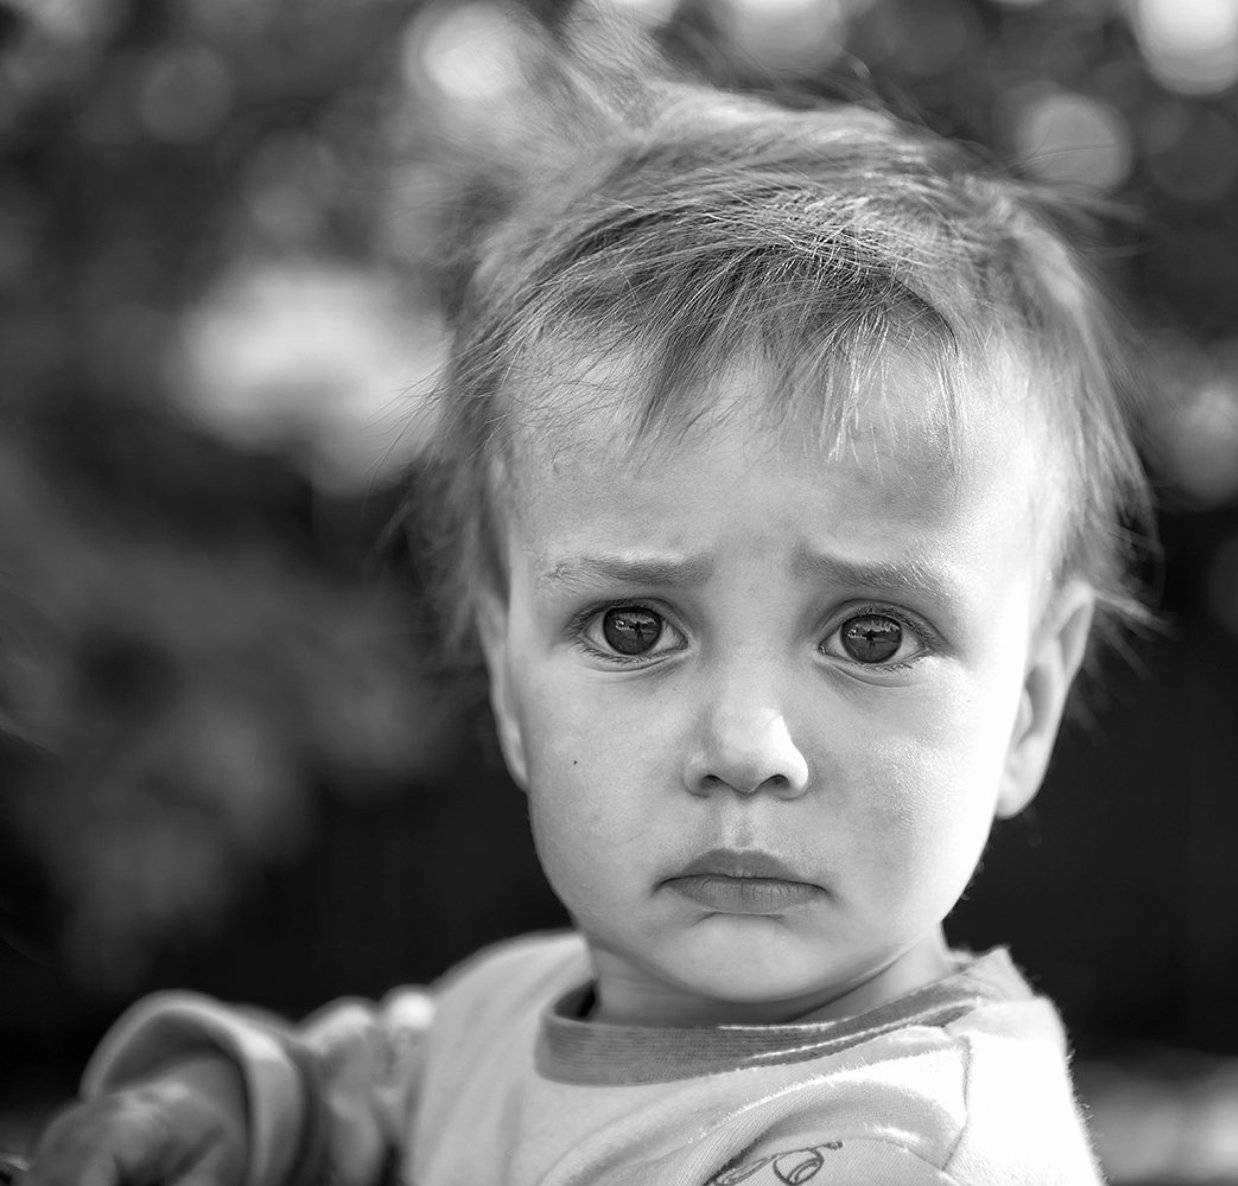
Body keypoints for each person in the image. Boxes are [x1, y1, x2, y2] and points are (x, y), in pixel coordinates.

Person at [21, 11, 1152, 1185]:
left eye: (873, 634)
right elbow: (355, 1089)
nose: (745, 748)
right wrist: (215, 1113)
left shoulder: (909, 1145)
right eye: (634, 625)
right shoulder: (499, 1017)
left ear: (1028, 703)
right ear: (509, 679)